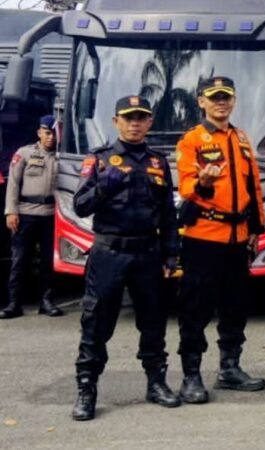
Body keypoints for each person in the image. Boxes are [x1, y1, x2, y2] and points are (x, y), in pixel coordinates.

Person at [71, 95, 181, 421]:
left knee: (153, 321)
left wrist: (172, 253)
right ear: (116, 121)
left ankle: (156, 382)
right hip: (109, 253)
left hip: (148, 252)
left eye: (141, 117)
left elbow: (167, 214)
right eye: (128, 117)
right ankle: (86, 389)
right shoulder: (100, 160)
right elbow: (80, 205)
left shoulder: (158, 162)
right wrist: (104, 186)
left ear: (149, 122)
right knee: (96, 323)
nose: (135, 123)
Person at [175, 77, 265, 400]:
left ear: (234, 100)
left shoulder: (241, 138)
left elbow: (253, 186)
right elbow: (187, 187)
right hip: (204, 237)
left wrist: (257, 227)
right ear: (201, 101)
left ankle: (229, 368)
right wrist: (202, 182)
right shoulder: (192, 140)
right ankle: (191, 375)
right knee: (195, 309)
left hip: (238, 238)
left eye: (226, 97)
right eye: (214, 98)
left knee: (235, 306)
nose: (220, 103)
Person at [2, 115, 62, 318]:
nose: (51, 138)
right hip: (26, 213)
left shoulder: (61, 156)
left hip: (51, 215)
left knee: (48, 261)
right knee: (20, 260)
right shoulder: (25, 153)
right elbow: (13, 184)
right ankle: (14, 303)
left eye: (54, 133)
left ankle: (46, 301)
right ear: (39, 133)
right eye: (47, 133)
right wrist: (11, 211)